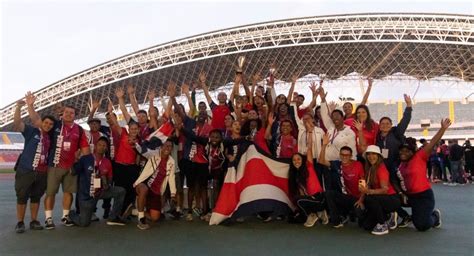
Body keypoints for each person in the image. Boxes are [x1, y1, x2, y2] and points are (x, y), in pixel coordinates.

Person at [25, 91, 91, 229]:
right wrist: (30, 106)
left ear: (75, 115)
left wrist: (86, 165)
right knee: (50, 193)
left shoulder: (79, 130)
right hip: (54, 166)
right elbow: (36, 120)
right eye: (66, 112)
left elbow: (85, 150)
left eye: (71, 113)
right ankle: (49, 219)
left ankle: (65, 217)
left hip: (71, 167)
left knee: (68, 192)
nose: (68, 114)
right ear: (63, 113)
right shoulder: (55, 125)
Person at [396, 119, 451, 231]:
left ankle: (435, 216)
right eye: (402, 151)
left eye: (407, 151)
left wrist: (443, 128)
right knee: (389, 199)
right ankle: (404, 216)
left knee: (422, 226)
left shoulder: (420, 157)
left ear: (413, 151)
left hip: (423, 196)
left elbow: (433, 142)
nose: (403, 153)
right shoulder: (400, 163)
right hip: (409, 196)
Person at [12, 98, 55, 233]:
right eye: (46, 122)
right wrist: (19, 107)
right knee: (22, 196)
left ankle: (34, 220)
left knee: (36, 197)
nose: (48, 125)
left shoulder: (50, 137)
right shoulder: (32, 131)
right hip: (26, 170)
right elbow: (18, 124)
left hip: (42, 172)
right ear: (41, 123)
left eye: (50, 124)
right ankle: (20, 222)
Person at [69, 137, 126, 227]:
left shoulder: (107, 162)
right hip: (86, 196)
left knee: (120, 191)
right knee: (84, 223)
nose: (101, 147)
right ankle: (71, 213)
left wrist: (106, 183)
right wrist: (75, 159)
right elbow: (73, 172)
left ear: (106, 148)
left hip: (100, 192)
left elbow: (110, 180)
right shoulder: (86, 159)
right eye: (99, 145)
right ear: (95, 146)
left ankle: (113, 217)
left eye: (104, 146)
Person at [375, 94, 412, 226]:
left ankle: (399, 213)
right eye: (382, 123)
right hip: (382, 171)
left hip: (395, 169)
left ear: (391, 125)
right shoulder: (377, 138)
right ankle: (398, 214)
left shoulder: (396, 134)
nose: (384, 125)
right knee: (386, 193)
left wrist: (408, 107)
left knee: (396, 192)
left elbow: (404, 122)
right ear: (379, 126)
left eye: (387, 123)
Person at [319, 136, 365, 228]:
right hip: (344, 196)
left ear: (351, 156)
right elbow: (321, 160)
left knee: (362, 219)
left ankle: (353, 214)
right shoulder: (336, 164)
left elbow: (362, 182)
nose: (344, 157)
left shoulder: (358, 164)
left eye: (347, 155)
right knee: (329, 194)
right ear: (340, 155)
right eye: (342, 155)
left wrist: (361, 199)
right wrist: (324, 145)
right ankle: (337, 221)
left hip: (356, 198)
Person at [288, 129, 327, 228]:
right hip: (310, 200)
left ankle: (314, 214)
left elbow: (309, 147)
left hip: (319, 198)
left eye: (298, 159)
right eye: (294, 160)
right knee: (296, 203)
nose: (297, 161)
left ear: (302, 160)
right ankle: (319, 213)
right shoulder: (295, 176)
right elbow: (301, 193)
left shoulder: (308, 166)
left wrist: (309, 132)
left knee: (298, 200)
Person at [357, 145, 400, 235]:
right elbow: (367, 185)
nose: (371, 156)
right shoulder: (369, 169)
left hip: (391, 199)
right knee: (365, 225)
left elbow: (385, 190)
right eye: (368, 154)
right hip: (380, 199)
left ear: (379, 156)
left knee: (370, 198)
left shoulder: (381, 169)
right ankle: (389, 216)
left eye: (374, 154)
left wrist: (368, 192)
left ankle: (382, 224)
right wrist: (360, 200)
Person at [134, 140, 176, 230]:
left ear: (172, 149)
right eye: (165, 146)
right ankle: (141, 219)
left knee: (155, 218)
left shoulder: (172, 162)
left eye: (169, 146)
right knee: (144, 190)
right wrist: (136, 144)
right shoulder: (153, 154)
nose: (167, 148)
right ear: (161, 147)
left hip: (156, 190)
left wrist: (173, 194)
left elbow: (171, 178)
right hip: (143, 184)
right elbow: (143, 151)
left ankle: (137, 211)